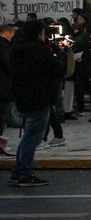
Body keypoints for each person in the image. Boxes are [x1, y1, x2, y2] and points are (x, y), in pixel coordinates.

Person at [8, 21, 69, 187]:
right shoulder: (39, 50)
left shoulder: (15, 50)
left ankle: (18, 171)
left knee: (28, 135)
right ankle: (24, 174)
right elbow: (56, 69)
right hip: (40, 97)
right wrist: (60, 54)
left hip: (23, 97)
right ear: (38, 33)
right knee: (33, 137)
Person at [0, 23, 15, 156]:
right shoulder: (3, 46)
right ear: (7, 33)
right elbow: (9, 65)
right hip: (3, 88)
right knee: (1, 117)